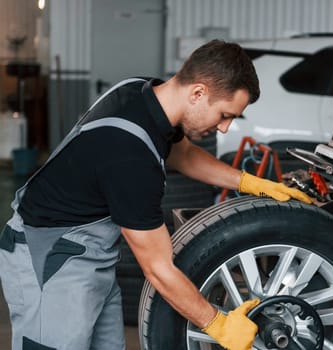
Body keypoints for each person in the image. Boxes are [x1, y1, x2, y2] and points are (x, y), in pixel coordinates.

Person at [0, 39, 312, 350]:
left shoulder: (140, 92)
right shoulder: (130, 157)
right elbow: (158, 270)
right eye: (224, 114)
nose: (225, 128)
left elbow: (184, 156)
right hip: (49, 260)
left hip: (91, 259)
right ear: (198, 93)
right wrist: (219, 324)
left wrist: (250, 182)